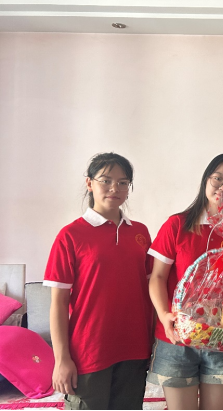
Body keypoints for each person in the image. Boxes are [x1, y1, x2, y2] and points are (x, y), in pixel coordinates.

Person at [44, 152, 153, 410]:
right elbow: (58, 304)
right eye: (106, 180)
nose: (115, 188)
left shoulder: (140, 232)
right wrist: (61, 359)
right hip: (89, 351)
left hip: (135, 348)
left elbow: (151, 290)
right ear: (89, 183)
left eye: (123, 182)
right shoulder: (70, 235)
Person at [146, 153, 223, 410]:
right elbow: (157, 277)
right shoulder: (177, 225)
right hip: (177, 337)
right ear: (206, 181)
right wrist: (164, 316)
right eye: (218, 178)